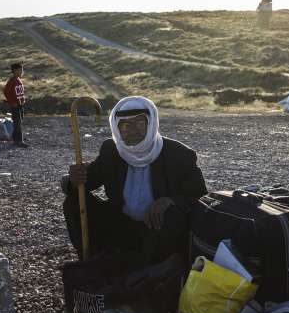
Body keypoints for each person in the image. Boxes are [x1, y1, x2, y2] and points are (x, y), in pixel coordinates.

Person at [62, 96, 207, 266]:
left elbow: (201, 198)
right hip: (120, 224)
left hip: (156, 229)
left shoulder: (179, 154)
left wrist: (170, 201)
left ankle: (156, 268)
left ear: (151, 123)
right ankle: (92, 261)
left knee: (170, 214)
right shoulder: (111, 150)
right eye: (125, 125)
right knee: (72, 202)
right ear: (117, 128)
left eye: (140, 123)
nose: (133, 130)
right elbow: (85, 184)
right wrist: (73, 179)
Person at [3, 62, 28, 148]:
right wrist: (12, 103)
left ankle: (15, 139)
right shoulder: (12, 81)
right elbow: (6, 92)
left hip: (20, 105)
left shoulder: (19, 80)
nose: (21, 71)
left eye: (22, 70)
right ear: (14, 71)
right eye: (19, 70)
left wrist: (23, 99)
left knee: (19, 122)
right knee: (18, 123)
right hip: (15, 106)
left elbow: (20, 93)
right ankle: (19, 141)